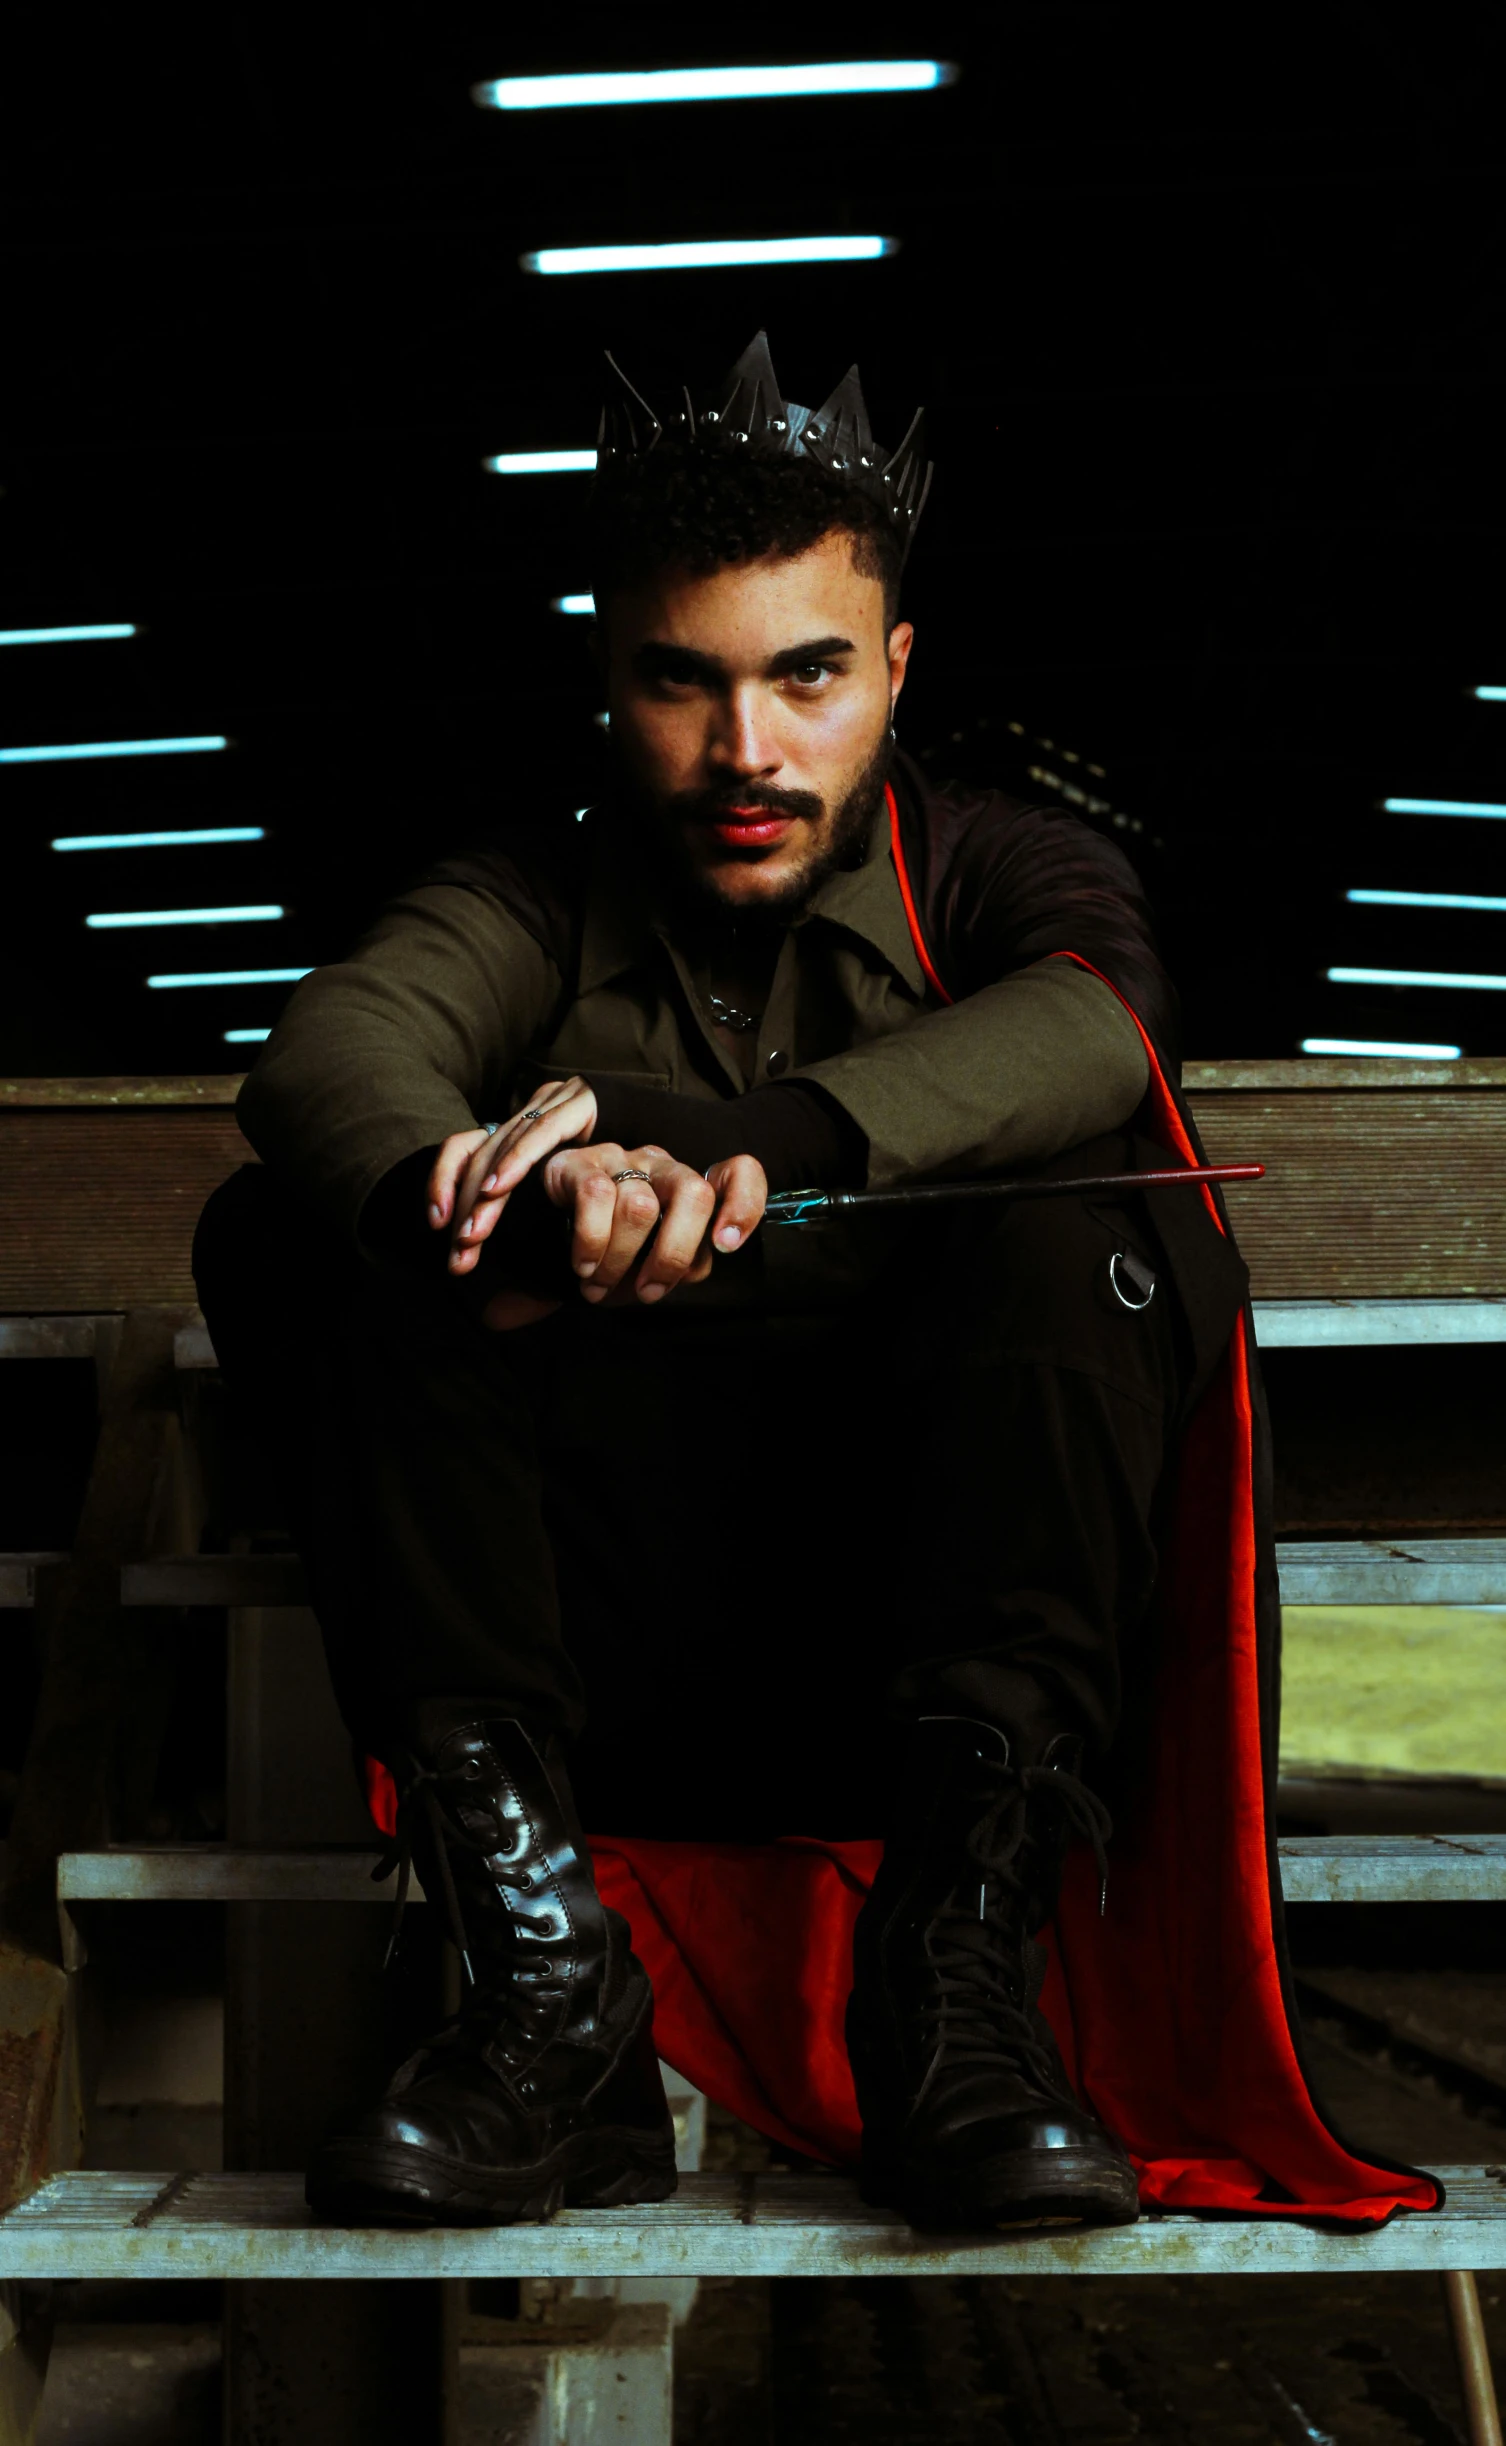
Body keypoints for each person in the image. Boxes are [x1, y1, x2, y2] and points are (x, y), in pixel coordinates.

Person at [193, 332, 1432, 2239]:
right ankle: (546, 1994)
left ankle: (953, 2002)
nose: (746, 750)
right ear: (609, 684)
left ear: (898, 671)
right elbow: (328, 1050)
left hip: (934, 1672)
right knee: (308, 1230)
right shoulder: (526, 890)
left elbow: (1096, 1027)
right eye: (680, 682)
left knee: (1074, 1222)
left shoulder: (1010, 864)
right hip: (597, 1663)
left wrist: (732, 1143)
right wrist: (528, 1207)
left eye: (805, 675)